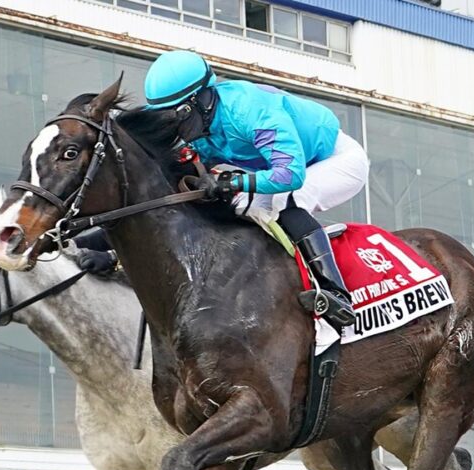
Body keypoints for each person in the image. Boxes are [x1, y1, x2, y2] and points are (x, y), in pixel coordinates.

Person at [142, 50, 369, 329]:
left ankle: (335, 293)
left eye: (175, 118)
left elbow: (290, 174)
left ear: (199, 101)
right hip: (290, 166)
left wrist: (233, 182)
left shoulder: (250, 111)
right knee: (240, 207)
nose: (174, 128)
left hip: (336, 159)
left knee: (288, 201)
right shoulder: (201, 124)